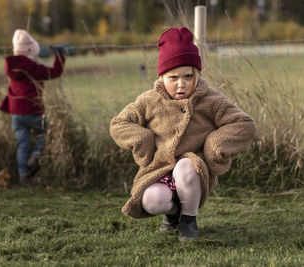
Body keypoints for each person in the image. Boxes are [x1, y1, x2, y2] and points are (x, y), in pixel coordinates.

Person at [110, 27, 256, 242]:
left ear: (197, 74)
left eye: (188, 76)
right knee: (151, 201)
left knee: (186, 166)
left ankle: (189, 221)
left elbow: (244, 123)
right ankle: (173, 212)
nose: (181, 83)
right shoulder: (149, 101)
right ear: (162, 76)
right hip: (159, 169)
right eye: (173, 77)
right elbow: (119, 123)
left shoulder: (211, 100)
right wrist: (143, 141)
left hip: (193, 171)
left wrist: (214, 146)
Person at [0, 29, 65, 185]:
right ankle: (35, 158)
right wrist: (60, 55)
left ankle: (23, 176)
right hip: (32, 110)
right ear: (30, 50)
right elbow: (54, 72)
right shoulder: (32, 67)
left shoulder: (11, 66)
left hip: (16, 113)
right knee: (45, 134)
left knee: (22, 144)